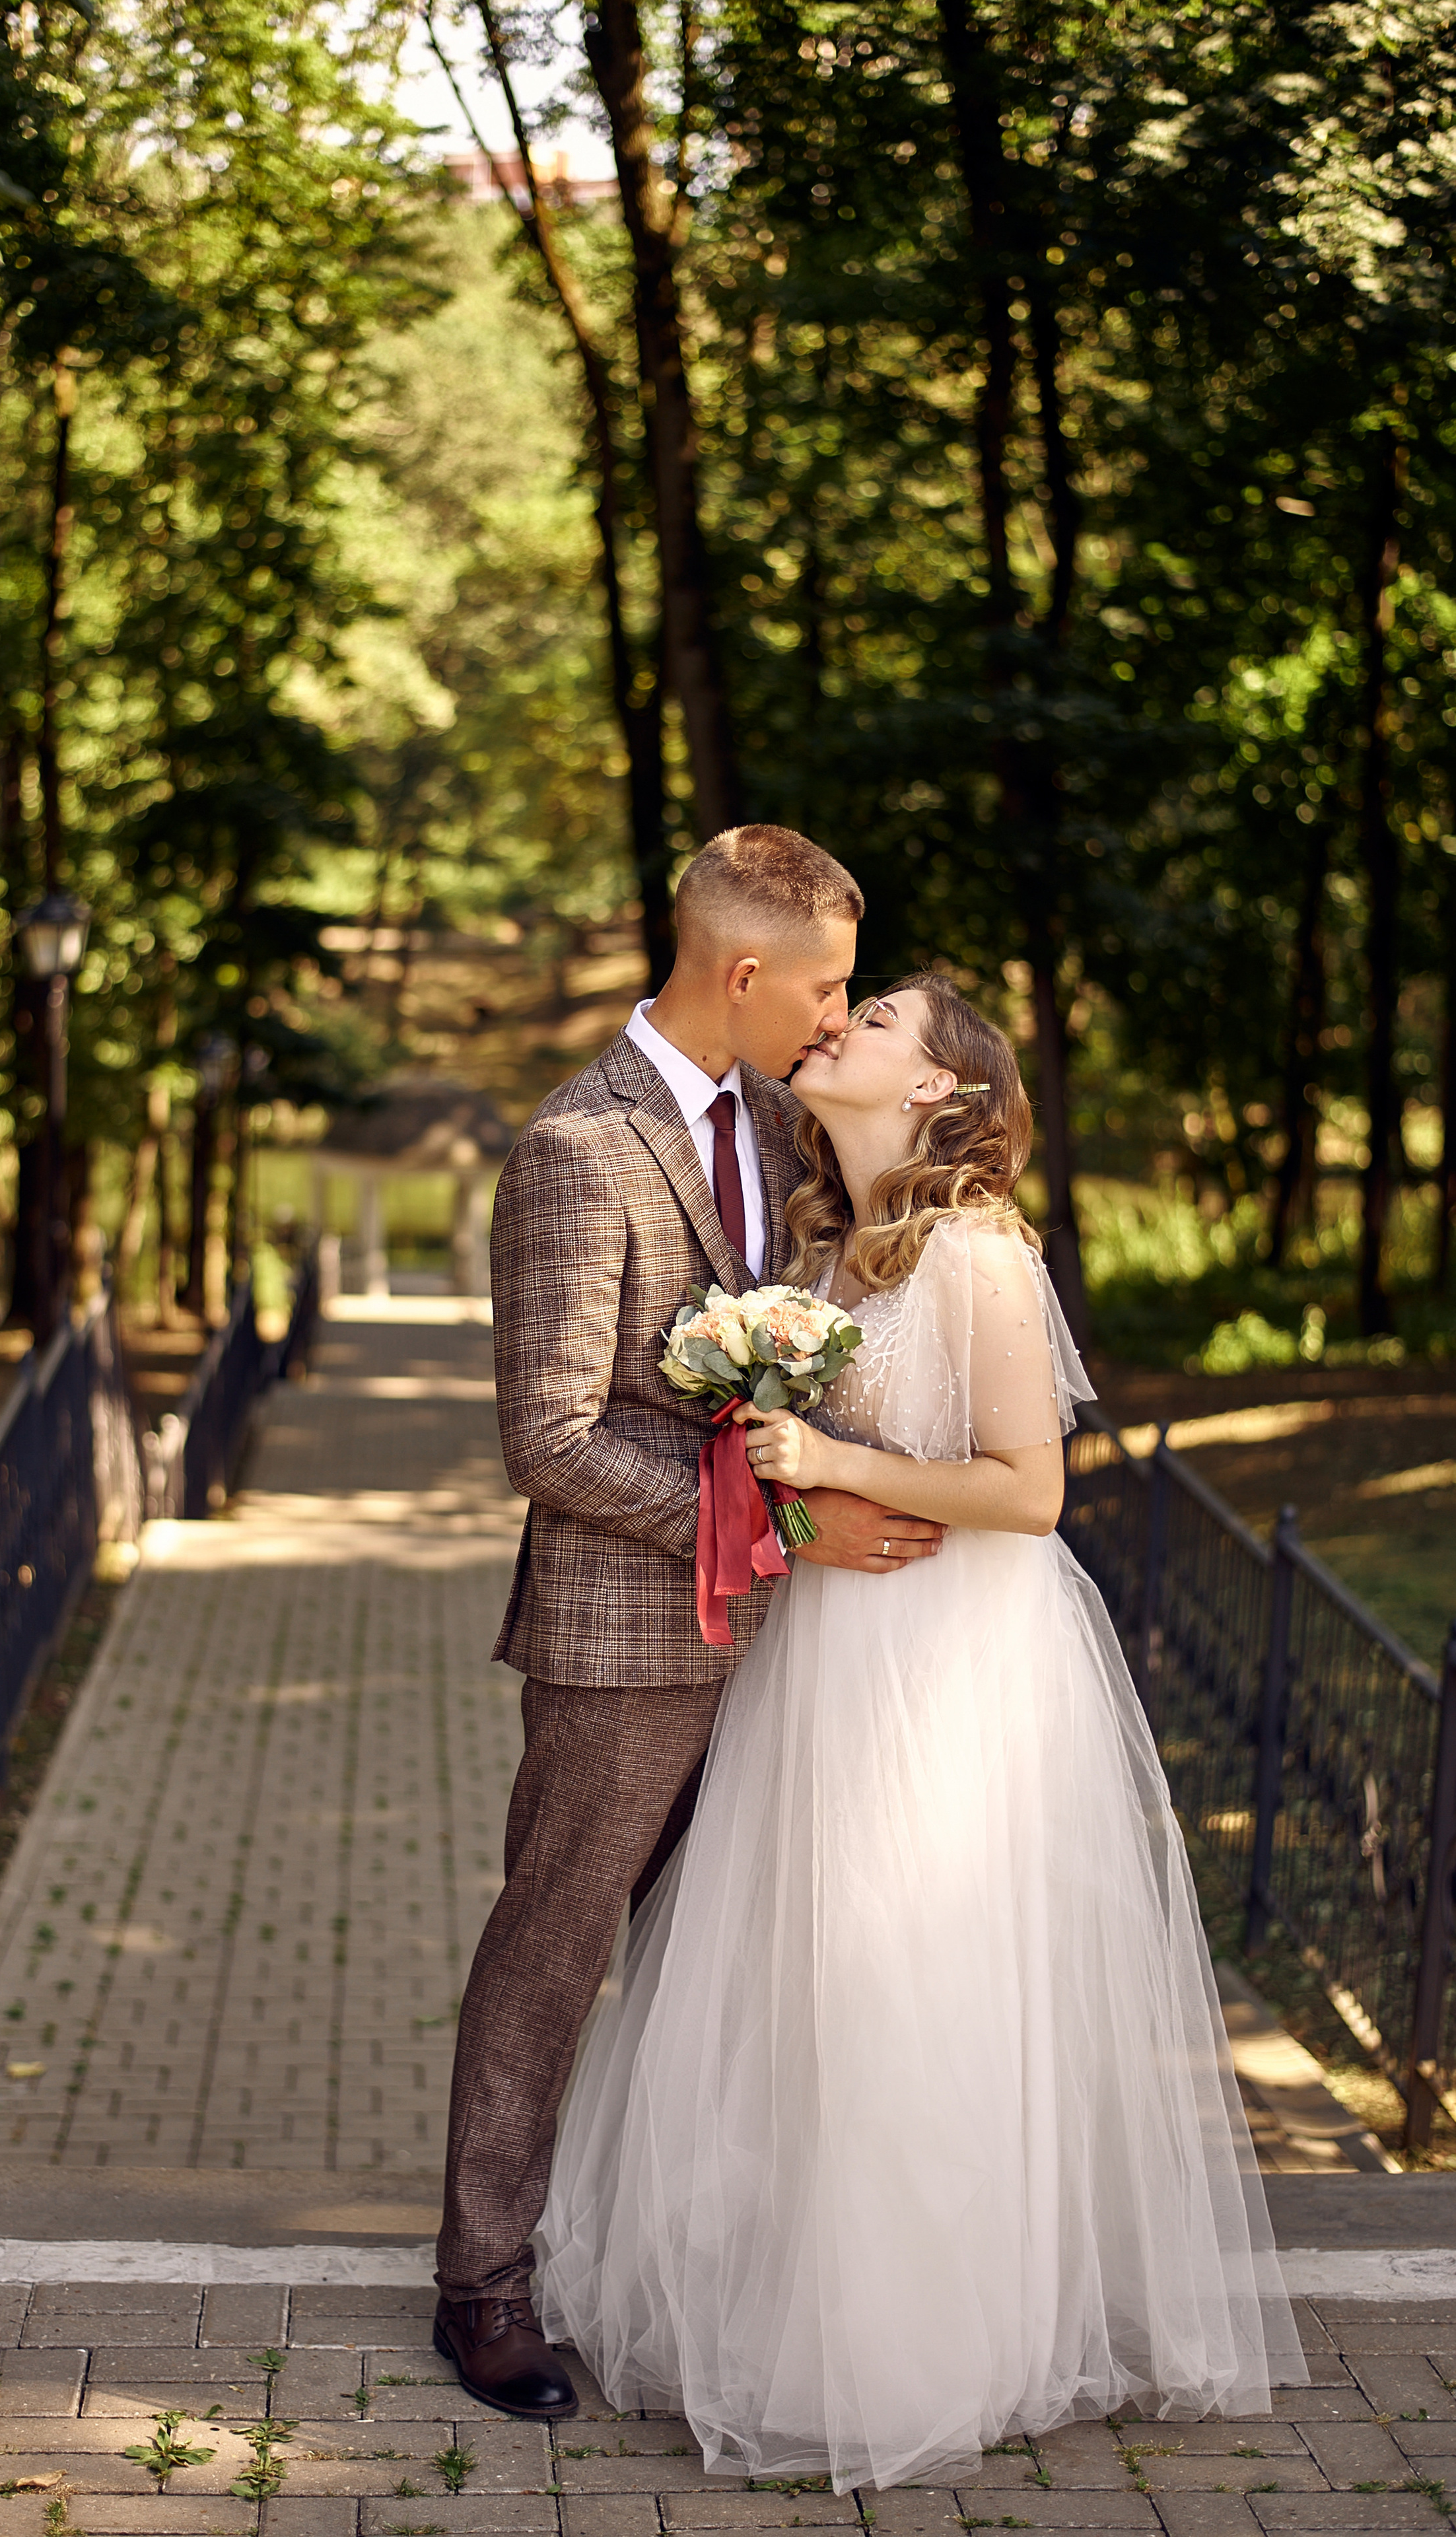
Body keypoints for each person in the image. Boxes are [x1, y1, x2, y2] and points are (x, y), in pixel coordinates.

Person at [536, 971, 1307, 2487]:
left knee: (903, 1976)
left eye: (877, 1016)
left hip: (942, 1662)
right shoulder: (820, 1252)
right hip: (823, 1648)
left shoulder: (976, 1252)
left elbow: (1030, 1491)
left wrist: (824, 1460)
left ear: (939, 1087)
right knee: (805, 1977)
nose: (840, 1025)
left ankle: (916, 2347)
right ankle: (794, 2304)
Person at [432, 829, 946, 2422]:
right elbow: (550, 1440)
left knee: (739, 1953)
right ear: (741, 972)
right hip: (622, 1637)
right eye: (826, 985)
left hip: (793, 1645)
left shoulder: (786, 1122)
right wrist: (777, 1525)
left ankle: (679, 2256)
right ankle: (482, 2278)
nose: (836, 1012)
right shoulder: (577, 1148)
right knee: (558, 1942)